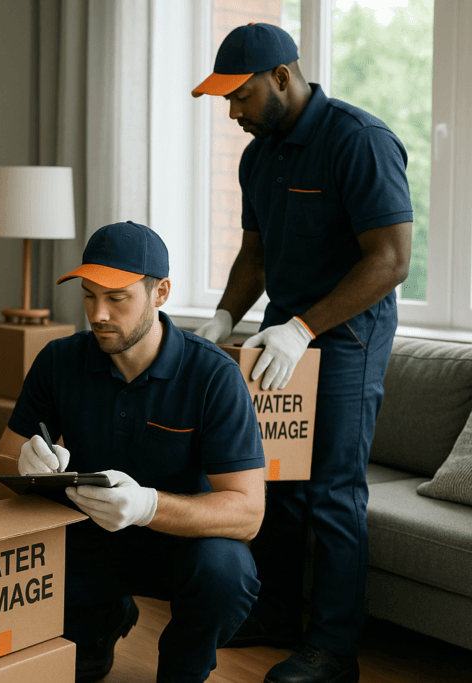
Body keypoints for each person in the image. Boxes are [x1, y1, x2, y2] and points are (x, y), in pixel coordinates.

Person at [191, 22, 412, 683]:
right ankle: (278, 614)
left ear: (282, 77)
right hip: (283, 336)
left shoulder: (360, 140)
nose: (233, 113)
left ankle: (334, 649)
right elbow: (255, 254)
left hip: (346, 339)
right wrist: (226, 316)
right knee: (277, 482)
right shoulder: (257, 156)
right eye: (225, 101)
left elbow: (392, 260)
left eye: (241, 97)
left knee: (334, 491)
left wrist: (302, 328)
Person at [0, 221, 266, 683]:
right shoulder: (59, 361)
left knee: (227, 571)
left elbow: (248, 513)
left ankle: (184, 667)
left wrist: (147, 505)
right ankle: (102, 620)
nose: (98, 314)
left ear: (160, 293)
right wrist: (23, 463)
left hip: (178, 545)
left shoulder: (214, 376)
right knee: (74, 666)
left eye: (117, 299)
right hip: (85, 539)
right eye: (88, 295)